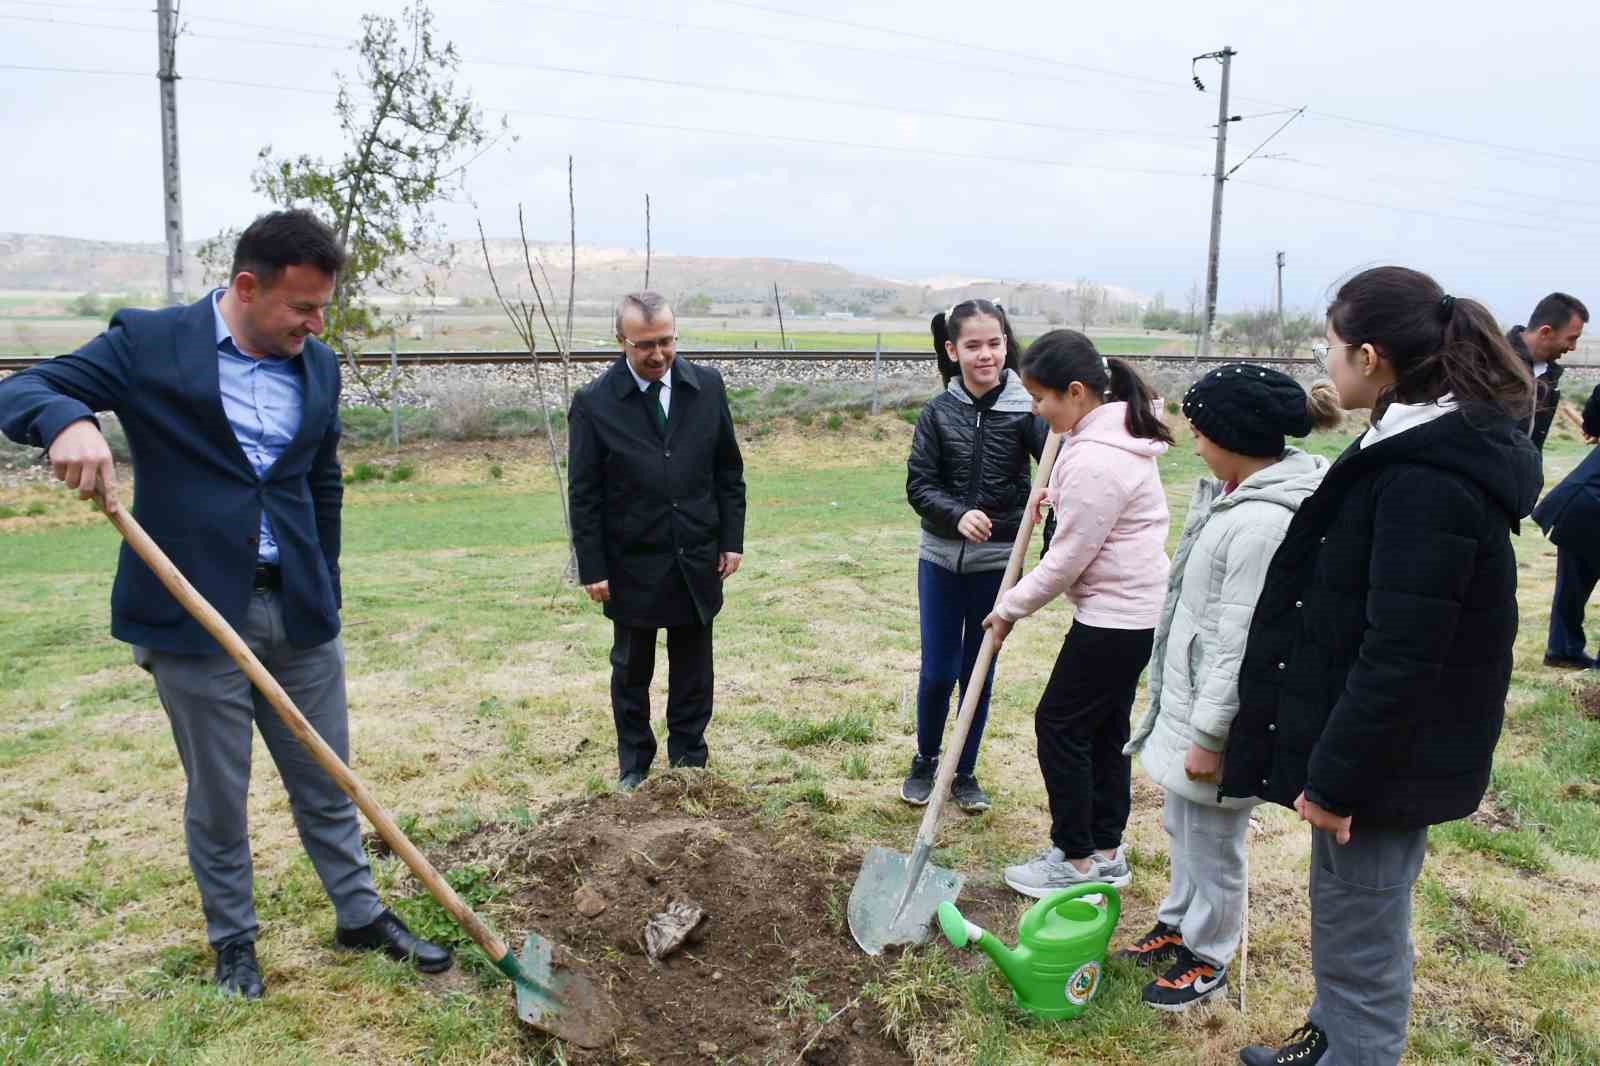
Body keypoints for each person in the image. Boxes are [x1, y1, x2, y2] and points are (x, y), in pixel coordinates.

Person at [0, 210, 452, 999]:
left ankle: (358, 915)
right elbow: (26, 387)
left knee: (328, 775)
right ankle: (234, 942)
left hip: (299, 611)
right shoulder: (149, 343)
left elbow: (321, 481)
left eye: (323, 310)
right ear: (247, 287)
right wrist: (66, 421)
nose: (316, 326)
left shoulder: (317, 367)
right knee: (220, 791)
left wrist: (326, 585)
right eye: (302, 308)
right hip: (193, 616)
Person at [1221, 267, 1540, 1066]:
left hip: (1385, 758)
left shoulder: (1424, 480)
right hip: (1370, 747)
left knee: (1363, 918)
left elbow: (1404, 654)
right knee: (1345, 904)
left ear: (1369, 356)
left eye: (1329, 348)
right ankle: (1333, 1040)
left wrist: (1337, 779)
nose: (1324, 364)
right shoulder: (1406, 439)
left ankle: (1356, 1050)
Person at [1118, 366, 1339, 1012]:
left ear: (1235, 437)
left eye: (1201, 431)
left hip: (1222, 719)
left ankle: (1209, 952)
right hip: (1195, 704)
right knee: (1182, 822)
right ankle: (1179, 919)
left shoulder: (1262, 525)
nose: (1194, 443)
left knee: (1214, 841)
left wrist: (1211, 737)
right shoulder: (1234, 496)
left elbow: (1237, 644)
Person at [983, 330, 1172, 897]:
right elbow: (1097, 523)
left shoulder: (1095, 456)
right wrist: (1059, 502)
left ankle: (1075, 858)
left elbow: (1067, 561)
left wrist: (1009, 607)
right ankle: (1107, 850)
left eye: (1041, 399)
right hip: (1133, 612)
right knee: (1103, 727)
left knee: (1060, 725)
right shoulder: (1105, 437)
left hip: (1117, 617)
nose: (1036, 410)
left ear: (1075, 391)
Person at [567, 292, 746, 791]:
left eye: (666, 341)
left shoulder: (706, 387)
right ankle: (635, 766)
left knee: (693, 668)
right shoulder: (594, 404)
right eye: (644, 344)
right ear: (621, 341)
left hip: (696, 555)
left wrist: (731, 538)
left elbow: (728, 471)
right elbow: (584, 495)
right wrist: (593, 566)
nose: (659, 354)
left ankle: (689, 761)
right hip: (631, 563)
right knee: (631, 671)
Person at [902, 299, 1048, 813]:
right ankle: (924, 759)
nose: (985, 355)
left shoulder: (1029, 411)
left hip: (998, 564)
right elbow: (919, 485)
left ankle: (964, 770)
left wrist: (1051, 492)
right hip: (940, 561)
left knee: (978, 669)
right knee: (938, 669)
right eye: (973, 346)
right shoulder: (938, 412)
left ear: (1007, 344)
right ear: (952, 350)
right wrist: (957, 514)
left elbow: (1057, 463)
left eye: (995, 343)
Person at [1533, 382, 1600, 668]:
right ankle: (1563, 649)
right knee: (1574, 579)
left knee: (1572, 581)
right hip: (1587, 501)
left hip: (1578, 501)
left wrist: (1594, 426)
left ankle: (1563, 648)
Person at [1506, 292, 1588, 451]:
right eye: (1571, 338)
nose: (1573, 347)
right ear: (1545, 332)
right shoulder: (1494, 365)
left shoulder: (1548, 375)